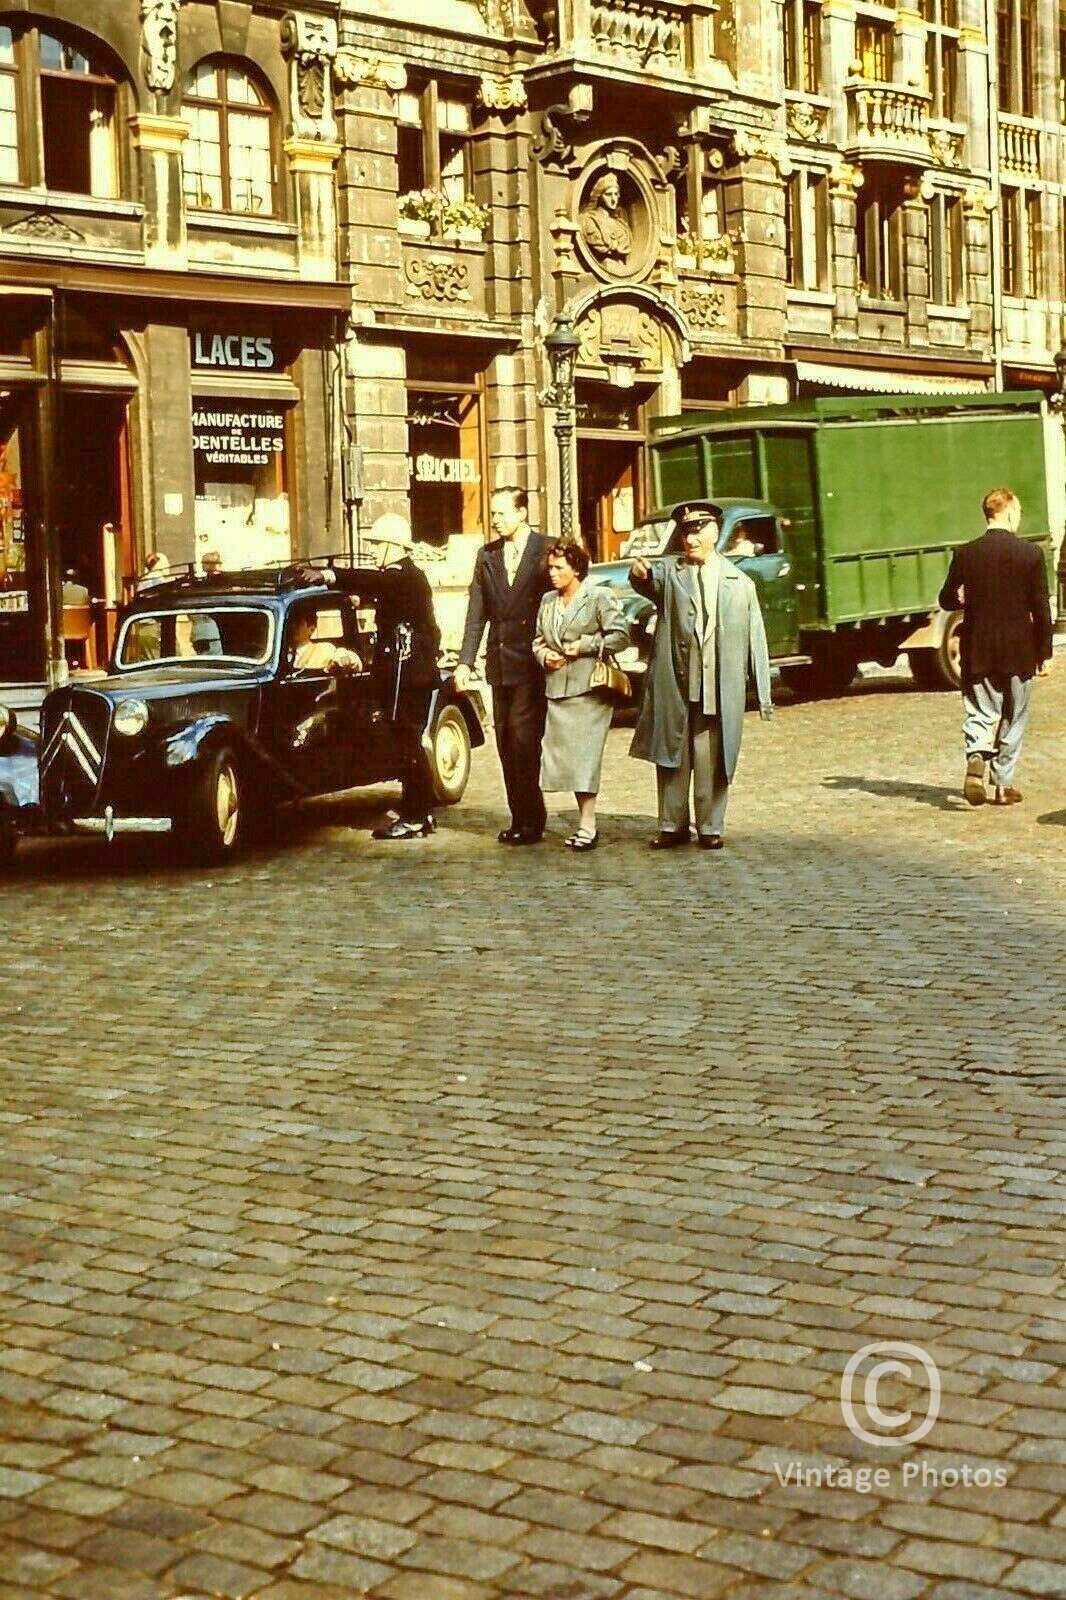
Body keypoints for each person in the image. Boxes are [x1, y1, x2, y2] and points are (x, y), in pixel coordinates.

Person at [630, 503, 772, 850]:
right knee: (672, 752)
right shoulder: (670, 573)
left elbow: (756, 637)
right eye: (685, 532)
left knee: (711, 755)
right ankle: (671, 825)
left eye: (697, 531)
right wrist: (640, 575)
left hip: (717, 684)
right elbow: (647, 584)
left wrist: (764, 695)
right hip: (675, 682)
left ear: (714, 533)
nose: (690, 539)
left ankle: (710, 826)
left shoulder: (739, 582)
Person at [938, 486, 1052, 807]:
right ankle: (1003, 786)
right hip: (1019, 651)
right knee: (1014, 717)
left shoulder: (966, 553)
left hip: (978, 649)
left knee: (982, 711)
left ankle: (977, 754)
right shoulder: (1030, 554)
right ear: (1010, 512)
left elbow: (946, 599)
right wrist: (1044, 653)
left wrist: (959, 596)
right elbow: (1041, 609)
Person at [455, 486, 553, 844]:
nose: (494, 520)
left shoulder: (546, 550)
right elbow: (476, 614)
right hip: (499, 663)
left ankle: (533, 817)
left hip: (532, 663)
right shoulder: (487, 556)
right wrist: (466, 661)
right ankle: (520, 817)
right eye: (492, 514)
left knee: (524, 739)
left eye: (501, 513)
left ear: (522, 512)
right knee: (505, 743)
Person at [533, 541, 629, 851]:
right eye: (550, 567)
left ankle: (588, 824)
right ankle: (585, 821)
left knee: (585, 758)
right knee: (570, 761)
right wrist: (545, 656)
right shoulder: (548, 600)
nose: (553, 574)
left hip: (589, 691)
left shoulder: (598, 596)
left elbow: (621, 635)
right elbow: (537, 640)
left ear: (576, 568)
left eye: (559, 568)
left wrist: (585, 646)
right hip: (557, 690)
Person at [364, 512, 442, 842]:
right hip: (409, 672)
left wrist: (328, 574)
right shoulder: (406, 578)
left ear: (393, 547)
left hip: (408, 675)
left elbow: (374, 582)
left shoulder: (402, 576)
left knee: (407, 743)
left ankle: (415, 814)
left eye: (376, 544)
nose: (372, 551)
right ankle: (419, 811)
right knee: (407, 742)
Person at [579, 174, 633, 266]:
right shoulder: (587, 220)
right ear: (599, 197)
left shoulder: (622, 226)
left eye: (616, 194)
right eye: (608, 194)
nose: (613, 199)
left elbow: (626, 246)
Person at [291, 610, 362, 673]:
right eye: (289, 623)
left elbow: (353, 660)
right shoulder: (280, 650)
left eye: (298, 623)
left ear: (311, 629)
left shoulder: (324, 649)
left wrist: (342, 659)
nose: (292, 626)